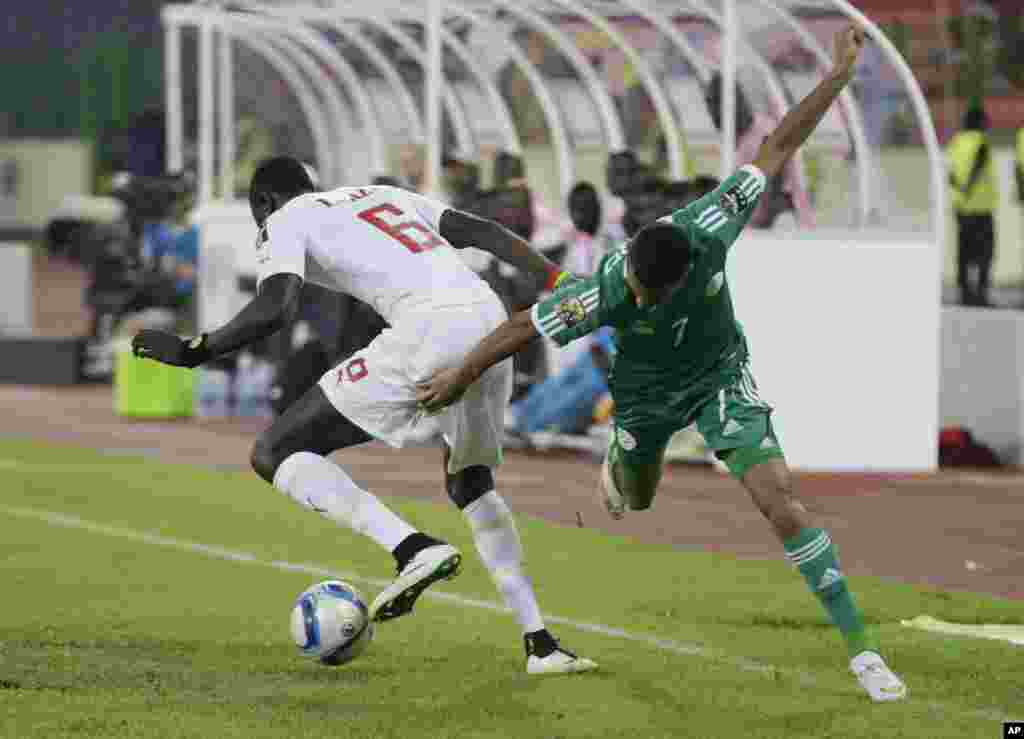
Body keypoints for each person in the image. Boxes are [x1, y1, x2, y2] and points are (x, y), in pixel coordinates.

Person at [417, 25, 906, 703]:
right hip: (645, 398)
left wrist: (839, 75)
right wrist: (458, 375)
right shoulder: (609, 288)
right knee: (636, 498)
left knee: (780, 500)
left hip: (719, 377)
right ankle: (622, 458)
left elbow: (779, 145)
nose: (637, 301)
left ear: (680, 277)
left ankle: (865, 653)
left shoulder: (712, 224)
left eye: (649, 296)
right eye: (636, 293)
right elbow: (525, 323)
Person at [132, 157, 596, 675]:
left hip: (429, 329)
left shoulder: (285, 218)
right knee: (471, 483)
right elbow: (481, 231)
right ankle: (541, 644)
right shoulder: (382, 195)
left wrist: (196, 349)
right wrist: (556, 277)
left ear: (262, 203)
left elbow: (276, 307)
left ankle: (412, 548)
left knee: (275, 451)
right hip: (490, 321)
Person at [947, 107, 998, 307]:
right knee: (985, 252)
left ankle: (965, 293)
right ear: (979, 122)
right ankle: (982, 293)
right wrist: (968, 187)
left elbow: (949, 172)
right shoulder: (981, 142)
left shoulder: (956, 142)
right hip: (981, 208)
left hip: (961, 208)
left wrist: (960, 190)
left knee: (964, 251)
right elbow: (979, 163)